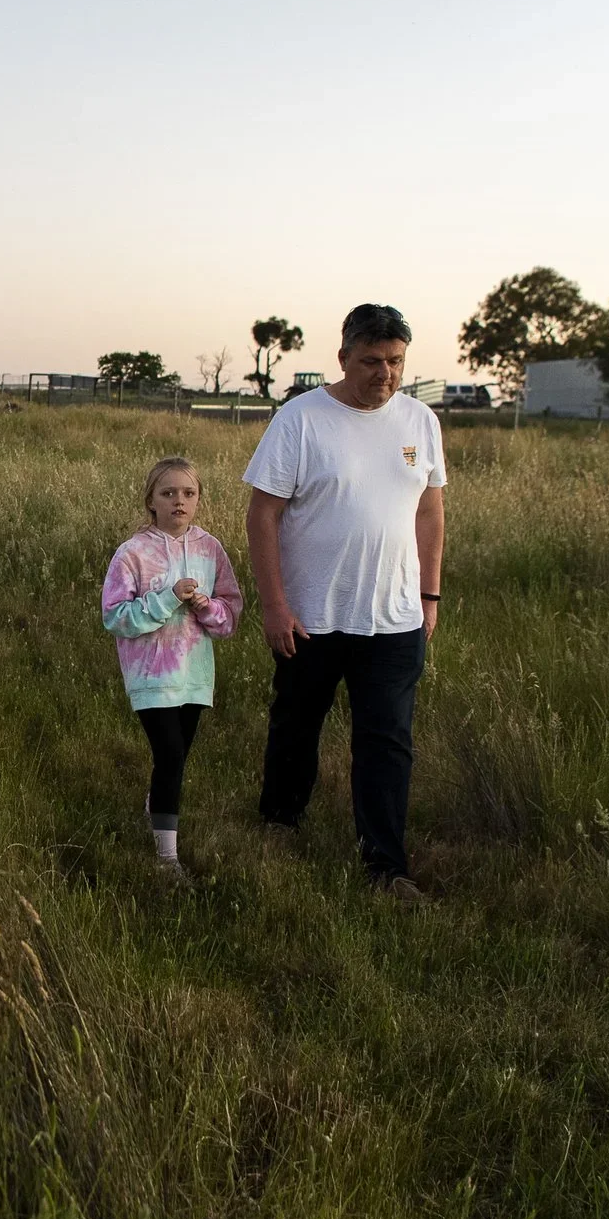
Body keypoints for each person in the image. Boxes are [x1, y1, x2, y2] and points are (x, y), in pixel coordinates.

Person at [242, 304, 446, 902]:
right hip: (311, 615)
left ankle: (386, 866)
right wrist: (274, 605)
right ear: (343, 358)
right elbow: (263, 512)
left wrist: (430, 596)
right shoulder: (301, 420)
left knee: (386, 740)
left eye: (396, 361)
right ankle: (280, 822)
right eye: (372, 361)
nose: (385, 373)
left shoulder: (420, 421)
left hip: (395, 616)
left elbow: (430, 510)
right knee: (297, 724)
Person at [101, 457, 242, 873]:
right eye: (168, 493)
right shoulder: (133, 553)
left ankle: (155, 807)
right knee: (171, 757)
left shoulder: (210, 549)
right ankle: (167, 859)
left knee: (177, 756)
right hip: (151, 676)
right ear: (151, 500)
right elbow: (115, 616)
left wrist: (206, 606)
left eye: (188, 493)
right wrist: (168, 598)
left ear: (198, 500)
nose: (179, 501)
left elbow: (230, 615)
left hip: (195, 677)